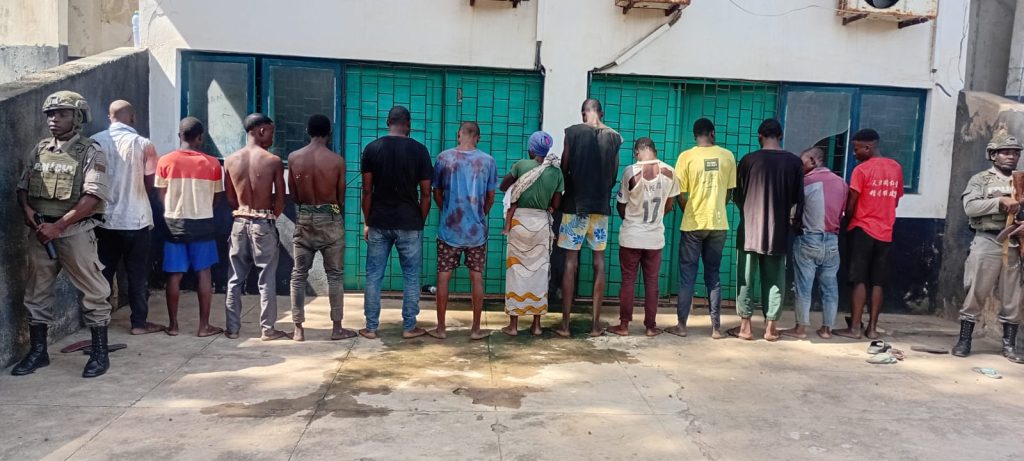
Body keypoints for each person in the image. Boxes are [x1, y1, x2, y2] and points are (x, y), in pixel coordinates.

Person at [12, 91, 113, 378]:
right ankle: (38, 352)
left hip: (75, 233)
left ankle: (99, 354)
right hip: (40, 232)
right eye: (50, 114)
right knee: (36, 293)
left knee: (94, 292)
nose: (53, 119)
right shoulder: (41, 148)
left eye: (62, 114)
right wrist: (28, 212)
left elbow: (93, 197)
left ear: (78, 118)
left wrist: (58, 227)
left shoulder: (90, 151)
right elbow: (23, 187)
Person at [951, 128, 1024, 363]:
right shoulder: (981, 180)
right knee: (975, 291)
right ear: (993, 155)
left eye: (1015, 152)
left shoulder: (1022, 181)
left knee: (1013, 297)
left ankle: (1009, 346)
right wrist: (999, 202)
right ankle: (964, 340)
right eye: (1005, 152)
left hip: (1015, 244)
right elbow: (970, 208)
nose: (1012, 156)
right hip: (987, 240)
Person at [92, 100, 164, 336]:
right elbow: (150, 181)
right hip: (136, 219)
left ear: (109, 117)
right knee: (137, 275)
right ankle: (139, 324)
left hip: (104, 219)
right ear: (132, 118)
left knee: (103, 272)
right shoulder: (143, 144)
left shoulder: (94, 142)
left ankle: (98, 321)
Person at [360, 106, 433, 339]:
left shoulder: (372, 149)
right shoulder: (420, 150)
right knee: (411, 276)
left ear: (387, 122)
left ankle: (371, 327)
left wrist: (367, 221)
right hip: (409, 222)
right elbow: (426, 193)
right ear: (408, 124)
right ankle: (409, 327)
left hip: (379, 221)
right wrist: (420, 221)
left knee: (374, 275)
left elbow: (367, 191)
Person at [729, 119, 803, 342]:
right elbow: (798, 201)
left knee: (745, 279)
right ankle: (771, 328)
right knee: (775, 279)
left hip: (749, 231)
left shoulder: (748, 160)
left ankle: (745, 327)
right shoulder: (794, 162)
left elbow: (737, 196)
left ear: (759, 136)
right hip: (777, 232)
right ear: (780, 136)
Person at [556, 98, 622, 338]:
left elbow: (564, 167)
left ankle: (565, 325)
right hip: (600, 207)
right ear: (601, 113)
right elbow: (613, 174)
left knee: (570, 262)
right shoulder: (614, 137)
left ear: (583, 113)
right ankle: (595, 326)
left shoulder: (572, 133)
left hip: (575, 205)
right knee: (599, 261)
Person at [287, 115, 355, 342]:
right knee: (334, 276)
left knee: (298, 275)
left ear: (308, 131)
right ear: (329, 133)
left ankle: (298, 329)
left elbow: (294, 194)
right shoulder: (337, 161)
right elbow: (340, 197)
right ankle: (337, 328)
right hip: (330, 218)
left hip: (304, 217)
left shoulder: (294, 158)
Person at [156, 117, 224, 338]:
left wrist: (173, 209)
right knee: (204, 273)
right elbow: (217, 198)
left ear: (179, 136)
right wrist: (202, 208)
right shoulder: (212, 164)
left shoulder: (165, 161)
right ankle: (204, 326)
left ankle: (173, 326)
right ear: (200, 137)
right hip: (202, 223)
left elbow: (160, 195)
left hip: (173, 223)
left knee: (174, 275)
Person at [429, 122, 497, 340]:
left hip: (449, 229)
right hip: (476, 231)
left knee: (443, 276)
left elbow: (436, 192)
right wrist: (480, 215)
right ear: (478, 138)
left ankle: (441, 329)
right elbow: (490, 197)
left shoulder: (443, 158)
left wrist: (446, 211)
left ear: (459, 135)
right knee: (476, 277)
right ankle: (475, 329)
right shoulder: (488, 161)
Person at [832, 129, 903, 340]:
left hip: (862, 228)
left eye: (856, 149)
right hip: (886, 230)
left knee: (859, 279)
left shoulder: (861, 170)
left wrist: (847, 221)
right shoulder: (896, 168)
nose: (854, 154)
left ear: (868, 147)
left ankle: (854, 328)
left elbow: (852, 202)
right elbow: (896, 198)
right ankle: (872, 328)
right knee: (878, 282)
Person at [669, 118, 735, 339]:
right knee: (713, 275)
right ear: (712, 133)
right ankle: (716, 329)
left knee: (687, 275)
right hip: (718, 224)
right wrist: (716, 209)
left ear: (694, 135)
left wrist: (690, 211)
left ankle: (681, 326)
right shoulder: (727, 156)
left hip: (693, 225)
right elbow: (729, 192)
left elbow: (679, 194)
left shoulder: (686, 157)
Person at [223, 113, 286, 341]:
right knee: (266, 278)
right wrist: (269, 217)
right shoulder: (273, 161)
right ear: (260, 131)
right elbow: (280, 199)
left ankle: (232, 329)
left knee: (234, 279)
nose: (272, 137)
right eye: (271, 132)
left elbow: (230, 198)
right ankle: (268, 330)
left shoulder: (230, 160)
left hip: (239, 222)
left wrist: (244, 211)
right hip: (263, 223)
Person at [606, 138, 678, 337]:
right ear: (655, 150)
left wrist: (631, 220)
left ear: (637, 152)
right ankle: (650, 327)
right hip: (654, 238)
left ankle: (624, 326)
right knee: (652, 282)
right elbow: (669, 206)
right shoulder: (670, 172)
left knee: (628, 280)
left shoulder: (630, 172)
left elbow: (621, 205)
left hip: (631, 236)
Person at [500, 131, 563, 336]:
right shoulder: (556, 172)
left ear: (530, 149)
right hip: (541, 224)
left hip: (519, 222)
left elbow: (503, 186)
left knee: (516, 272)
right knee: (539, 273)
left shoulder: (521, 165)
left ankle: (513, 325)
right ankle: (536, 325)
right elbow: (556, 204)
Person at [780, 147, 847, 340]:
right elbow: (843, 213)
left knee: (803, 287)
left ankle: (800, 329)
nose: (799, 167)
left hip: (808, 238)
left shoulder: (805, 182)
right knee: (830, 287)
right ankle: (827, 330)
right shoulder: (842, 183)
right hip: (832, 240)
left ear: (812, 160)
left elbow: (793, 212)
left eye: (802, 162)